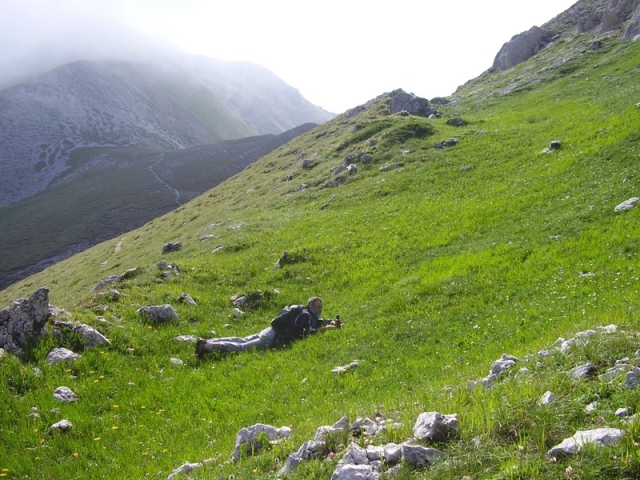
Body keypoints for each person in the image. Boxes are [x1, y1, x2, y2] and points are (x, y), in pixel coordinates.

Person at [195, 297, 340, 357]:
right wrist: (326, 329)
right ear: (311, 306)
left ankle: (208, 341)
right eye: (318, 307)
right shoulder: (306, 317)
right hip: (272, 338)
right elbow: (305, 333)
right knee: (242, 347)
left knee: (241, 339)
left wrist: (330, 322)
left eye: (321, 307)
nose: (320, 309)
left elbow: (318, 321)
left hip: (269, 331)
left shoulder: (304, 313)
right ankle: (207, 347)